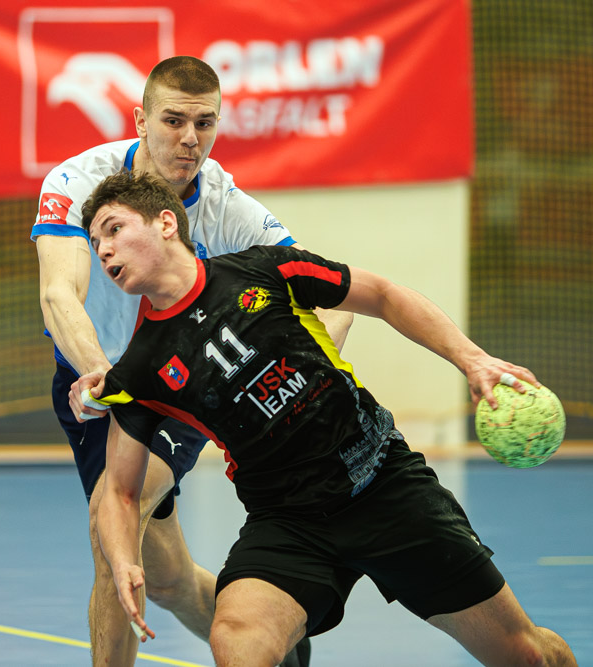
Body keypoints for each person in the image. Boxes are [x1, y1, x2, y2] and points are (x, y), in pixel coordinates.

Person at [79, 170, 578, 666]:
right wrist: (123, 561)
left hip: (383, 486)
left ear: (167, 223)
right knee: (235, 641)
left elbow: (383, 295)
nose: (104, 250)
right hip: (288, 522)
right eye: (96, 242)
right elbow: (119, 491)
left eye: (114, 229)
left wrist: (472, 359)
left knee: (528, 657)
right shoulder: (140, 368)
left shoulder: (264, 269)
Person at [33, 55, 348, 665]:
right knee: (169, 578)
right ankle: (278, 649)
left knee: (110, 527)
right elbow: (58, 294)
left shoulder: (229, 209)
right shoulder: (79, 181)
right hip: (93, 383)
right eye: (173, 120)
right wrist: (104, 377)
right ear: (140, 120)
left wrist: (305, 377)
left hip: (178, 389)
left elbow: (332, 303)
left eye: (205, 123)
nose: (190, 139)